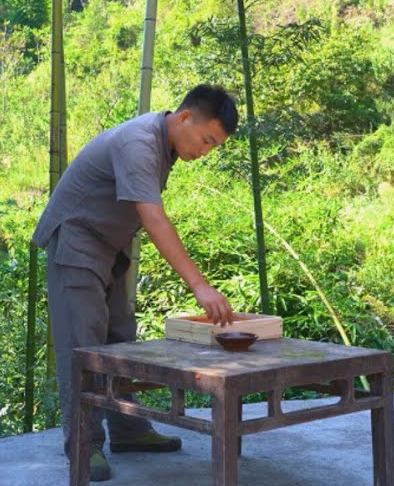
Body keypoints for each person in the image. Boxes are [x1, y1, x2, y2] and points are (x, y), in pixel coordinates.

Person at [32, 85, 240, 481]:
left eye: (215, 146)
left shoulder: (165, 146)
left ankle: (128, 428)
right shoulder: (139, 142)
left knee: (122, 341)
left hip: (109, 250)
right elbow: (153, 218)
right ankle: (84, 444)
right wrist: (200, 286)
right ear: (183, 118)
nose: (205, 151)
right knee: (84, 345)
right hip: (75, 244)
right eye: (207, 139)